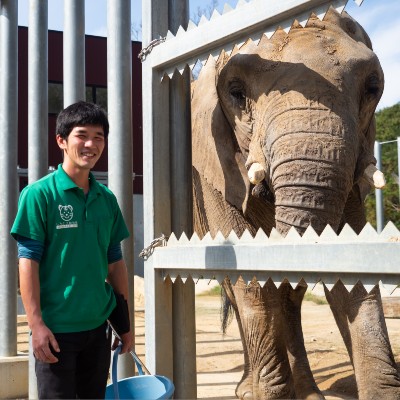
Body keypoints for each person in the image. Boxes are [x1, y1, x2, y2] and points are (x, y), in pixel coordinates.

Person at [11, 101, 133, 399]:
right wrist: (36, 325)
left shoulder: (106, 199)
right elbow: (28, 262)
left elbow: (115, 261)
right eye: (82, 135)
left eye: (99, 136)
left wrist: (124, 325)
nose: (91, 143)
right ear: (61, 141)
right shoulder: (39, 195)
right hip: (56, 332)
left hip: (98, 328)